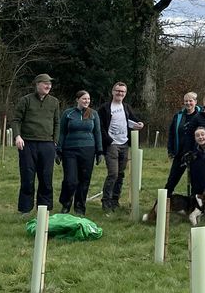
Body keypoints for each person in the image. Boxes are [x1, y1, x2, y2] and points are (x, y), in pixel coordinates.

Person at [12, 73, 61, 214]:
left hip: (47, 144)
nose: (48, 86)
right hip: (28, 144)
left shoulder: (54, 102)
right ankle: (25, 209)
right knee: (27, 177)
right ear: (37, 84)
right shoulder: (25, 100)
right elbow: (16, 120)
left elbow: (57, 122)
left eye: (50, 84)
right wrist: (17, 136)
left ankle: (44, 209)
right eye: (46, 83)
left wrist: (55, 141)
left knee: (46, 178)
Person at [97, 82, 146, 212]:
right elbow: (100, 127)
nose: (120, 93)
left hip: (124, 144)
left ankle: (115, 200)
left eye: (122, 92)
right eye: (118, 91)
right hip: (112, 145)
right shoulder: (105, 108)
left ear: (125, 94)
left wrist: (139, 124)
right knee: (112, 173)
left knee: (120, 174)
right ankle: (106, 202)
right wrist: (109, 141)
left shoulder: (126, 107)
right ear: (113, 92)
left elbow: (133, 120)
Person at [57, 90, 102, 215]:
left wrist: (99, 151)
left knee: (84, 180)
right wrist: (59, 150)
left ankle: (80, 208)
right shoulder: (68, 113)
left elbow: (97, 133)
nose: (86, 101)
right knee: (70, 180)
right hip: (70, 150)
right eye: (84, 99)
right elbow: (62, 132)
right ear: (77, 100)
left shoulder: (93, 114)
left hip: (88, 149)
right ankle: (65, 203)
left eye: (88, 99)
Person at [163, 91, 201, 200]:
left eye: (191, 101)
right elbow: (171, 134)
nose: (188, 103)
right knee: (172, 180)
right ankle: (163, 203)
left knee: (196, 182)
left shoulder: (201, 115)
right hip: (180, 153)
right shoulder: (178, 116)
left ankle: (195, 206)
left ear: (195, 102)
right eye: (186, 101)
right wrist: (170, 149)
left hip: (196, 154)